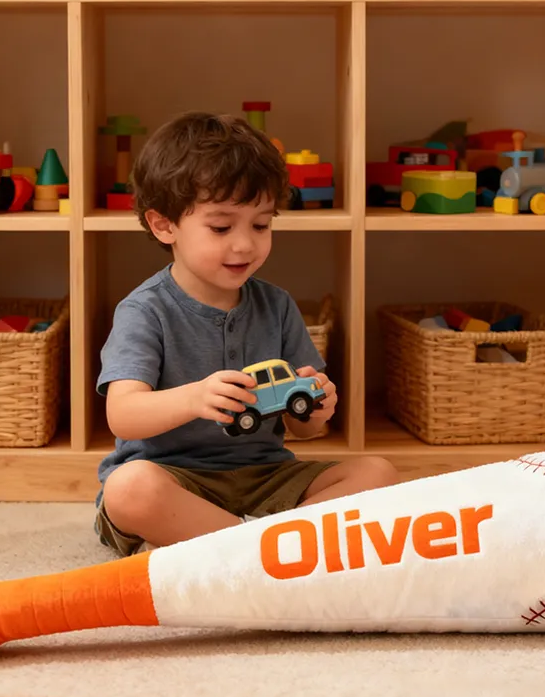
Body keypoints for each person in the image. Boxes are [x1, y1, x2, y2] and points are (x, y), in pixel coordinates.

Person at [95, 112, 399, 556]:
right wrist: (194, 398)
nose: (245, 244)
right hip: (174, 478)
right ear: (164, 226)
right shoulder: (144, 310)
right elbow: (123, 415)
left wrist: (317, 409)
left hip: (266, 478)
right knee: (128, 490)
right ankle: (268, 548)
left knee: (379, 473)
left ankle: (242, 547)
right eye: (221, 227)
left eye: (260, 224)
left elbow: (305, 428)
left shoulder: (277, 306)